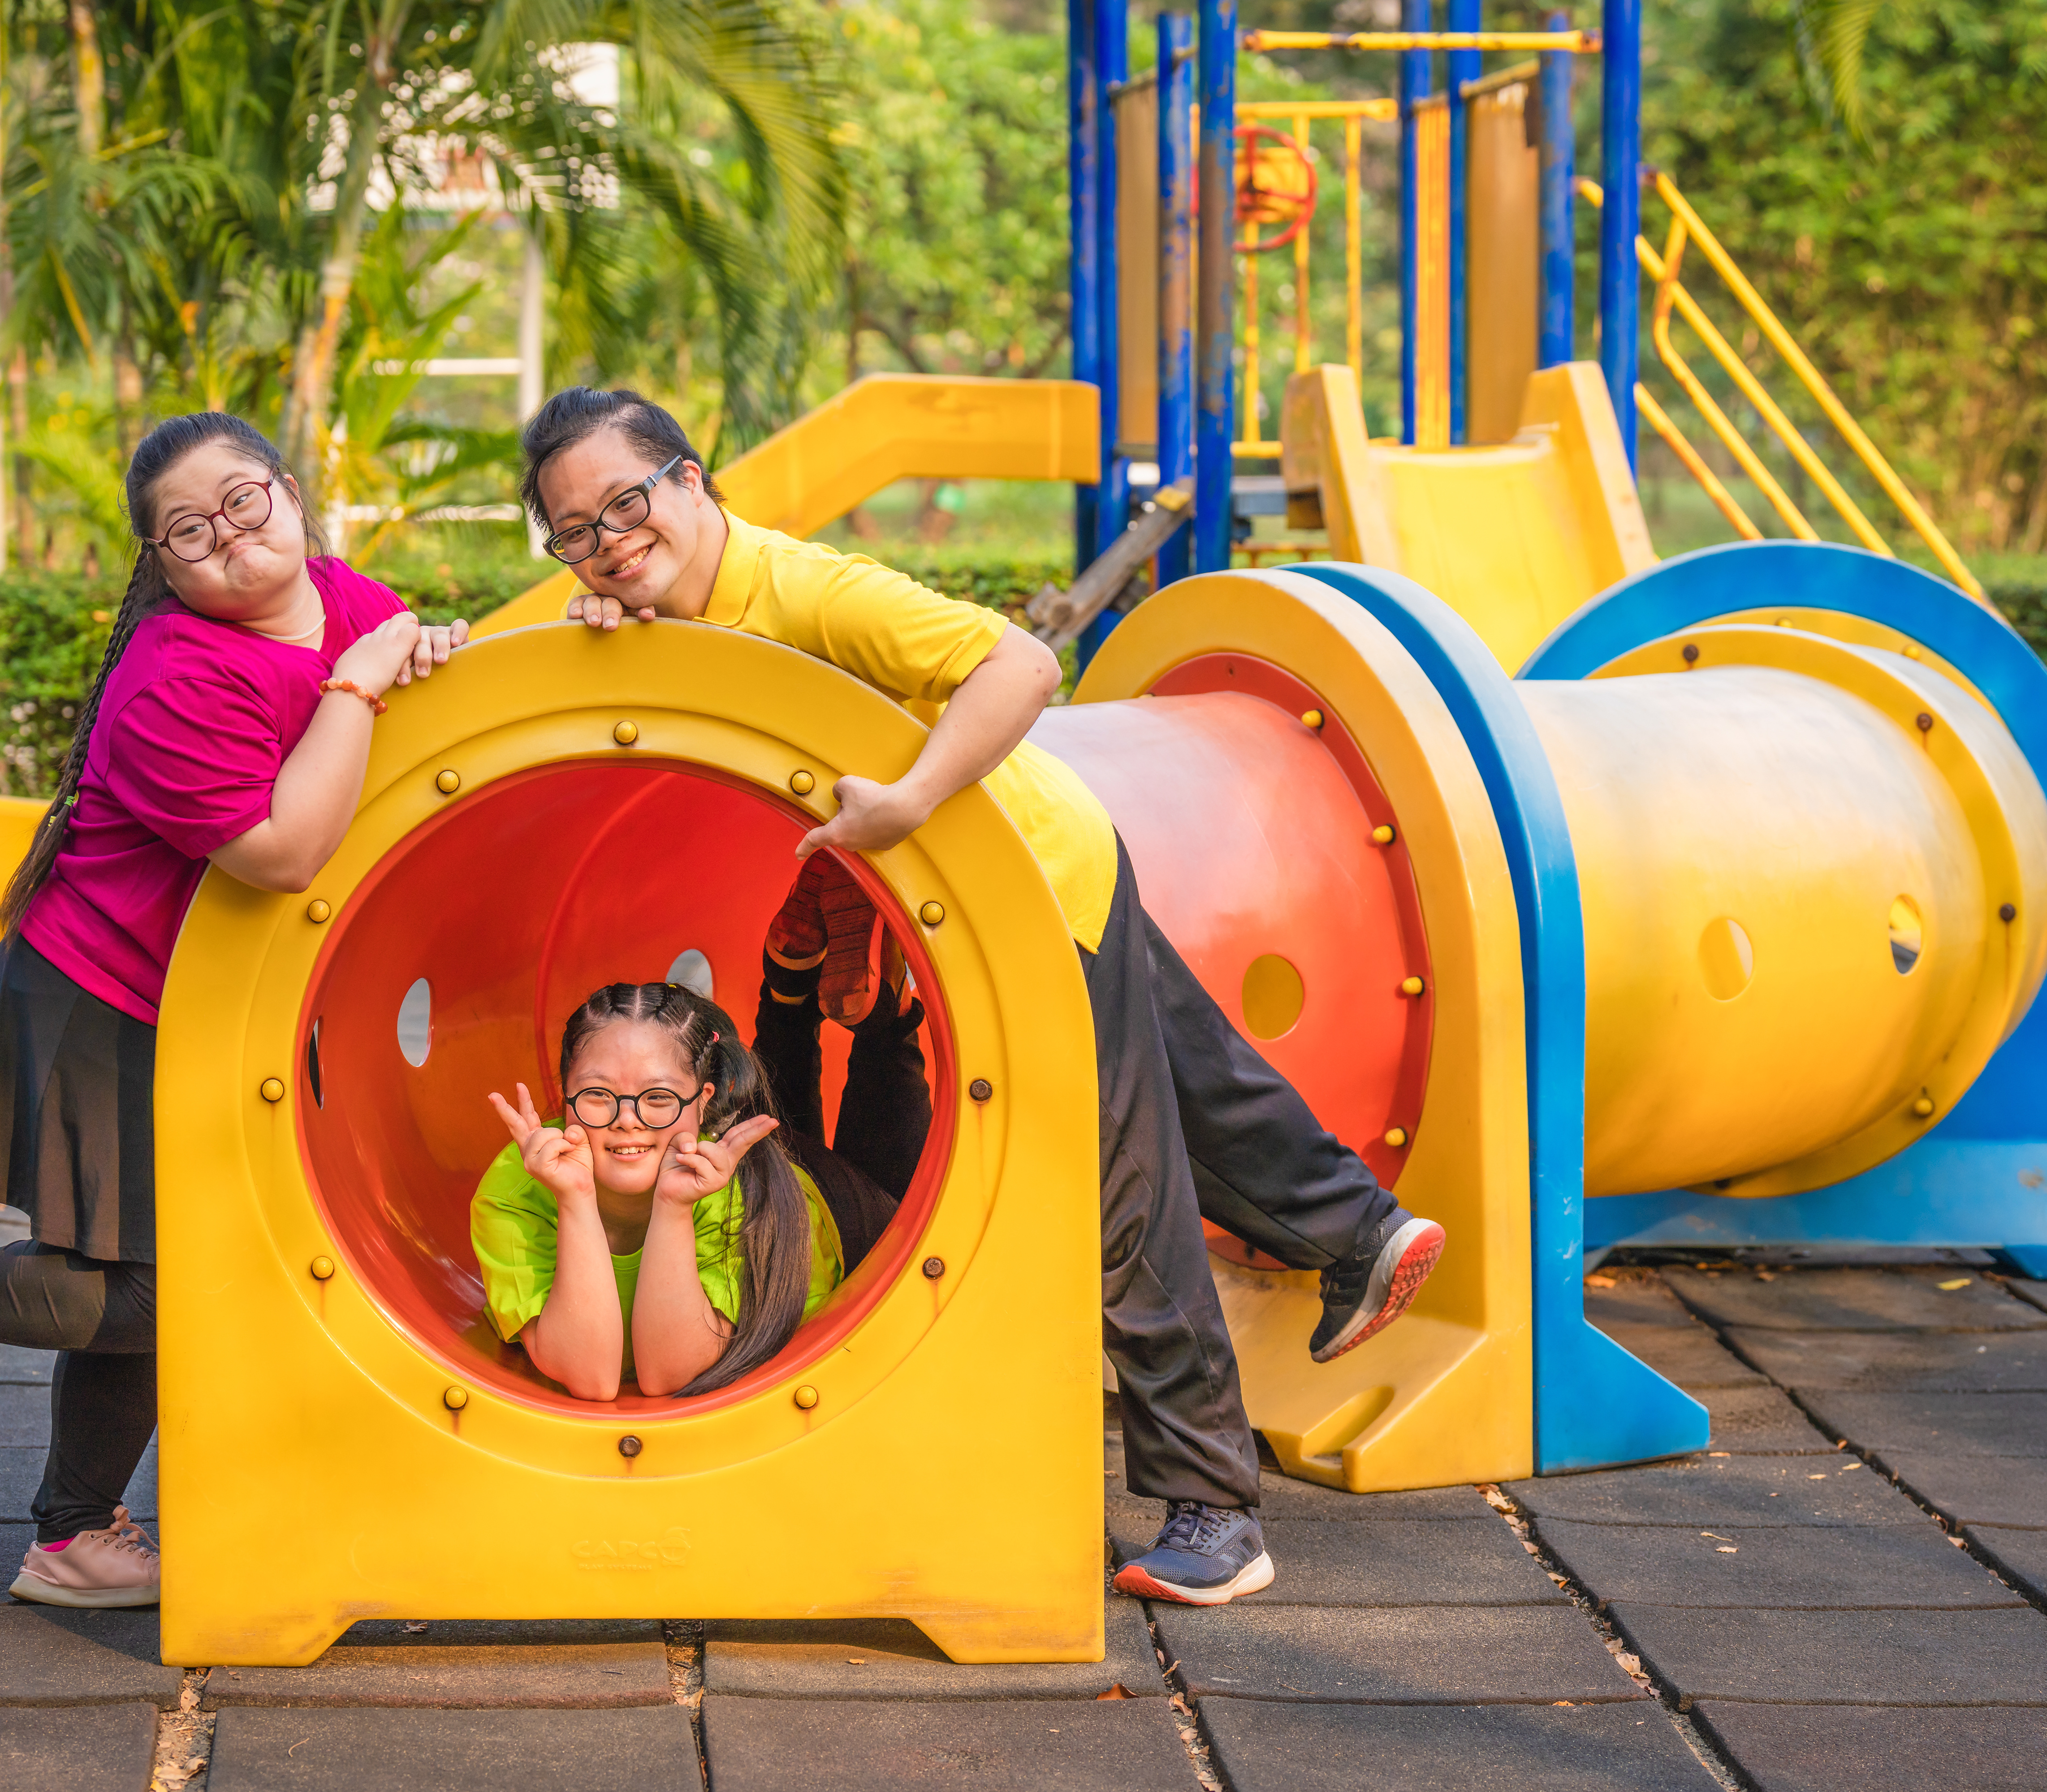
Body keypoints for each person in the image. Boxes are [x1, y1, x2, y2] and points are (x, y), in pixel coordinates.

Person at [518, 386, 1446, 1608]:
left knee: (1119, 1179)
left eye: (627, 504)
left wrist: (907, 801)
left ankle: (1213, 1507)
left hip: (1023, 884)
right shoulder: (667, 617)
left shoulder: (804, 590)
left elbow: (1022, 662)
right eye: (576, 532)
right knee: (1192, 1084)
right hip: (1049, 857)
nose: (610, 542)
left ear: (693, 482)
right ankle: (1356, 1232)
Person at [0, 411, 466, 1609]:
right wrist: (367, 679)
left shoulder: (353, 600)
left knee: (148, 1272)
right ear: (163, 562)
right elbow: (291, 850)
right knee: (173, 1284)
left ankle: (70, 1542)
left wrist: (429, 654)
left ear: (291, 495)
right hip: (103, 1003)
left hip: (204, 1004)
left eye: (246, 502)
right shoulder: (174, 681)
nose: (232, 539)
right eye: (191, 532)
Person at [476, 980, 874, 1400]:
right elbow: (593, 1379)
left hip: (835, 1213)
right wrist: (575, 1199)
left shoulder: (738, 1196)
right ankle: (791, 991)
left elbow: (669, 1375)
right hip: (722, 1152)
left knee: (880, 1142)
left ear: (704, 1100)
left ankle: (873, 1016)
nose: (627, 1119)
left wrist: (674, 1206)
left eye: (660, 1096)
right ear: (565, 1095)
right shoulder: (517, 1190)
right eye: (596, 1094)